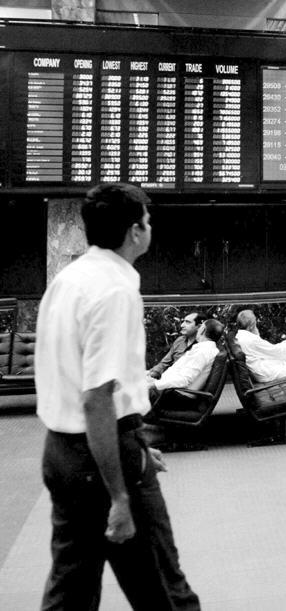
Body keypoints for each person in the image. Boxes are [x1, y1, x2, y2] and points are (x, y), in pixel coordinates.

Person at [34, 182, 200, 609]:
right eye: (147, 219)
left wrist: (134, 445)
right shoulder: (114, 290)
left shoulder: (67, 280)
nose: (150, 226)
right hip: (104, 461)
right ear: (134, 231)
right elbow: (97, 398)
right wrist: (121, 491)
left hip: (62, 453)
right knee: (166, 591)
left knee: (70, 592)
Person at [148, 318, 225, 402]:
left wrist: (153, 384)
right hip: (172, 390)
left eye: (200, 327)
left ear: (203, 329)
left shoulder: (203, 352)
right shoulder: (205, 349)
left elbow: (184, 380)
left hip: (176, 395)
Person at [148, 311, 204, 379]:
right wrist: (153, 373)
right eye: (183, 321)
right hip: (167, 378)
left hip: (182, 381)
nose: (182, 325)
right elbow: (165, 363)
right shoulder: (180, 340)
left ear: (199, 326)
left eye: (188, 322)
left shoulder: (203, 346)